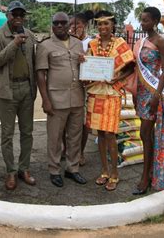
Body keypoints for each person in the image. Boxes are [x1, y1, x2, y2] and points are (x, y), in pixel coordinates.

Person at [0, 0, 37, 191]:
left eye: (21, 15)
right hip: (6, 91)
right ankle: (10, 171)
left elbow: (34, 61)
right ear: (7, 15)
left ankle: (24, 169)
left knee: (27, 132)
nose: (18, 18)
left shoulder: (30, 35)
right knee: (7, 135)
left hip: (27, 88)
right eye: (14, 14)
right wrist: (14, 43)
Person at [86, 10, 135, 191]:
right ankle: (104, 171)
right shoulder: (92, 44)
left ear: (113, 25)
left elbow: (131, 67)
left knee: (110, 134)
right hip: (95, 92)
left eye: (106, 23)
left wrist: (117, 79)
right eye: (99, 24)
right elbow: (88, 66)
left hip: (112, 93)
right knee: (99, 133)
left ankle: (115, 173)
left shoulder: (120, 44)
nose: (103, 27)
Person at [36, 12, 87, 187]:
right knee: (55, 137)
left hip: (77, 97)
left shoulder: (78, 44)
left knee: (75, 136)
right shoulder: (45, 46)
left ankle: (72, 169)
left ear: (68, 25)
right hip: (56, 98)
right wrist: (45, 99)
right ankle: (54, 170)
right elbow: (40, 74)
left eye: (63, 23)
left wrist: (84, 62)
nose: (59, 26)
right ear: (52, 25)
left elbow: (84, 69)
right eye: (56, 23)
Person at [133, 7, 164, 195]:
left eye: (146, 20)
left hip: (152, 95)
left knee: (146, 133)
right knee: (146, 135)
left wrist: (156, 96)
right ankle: (150, 171)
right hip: (141, 93)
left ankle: (146, 178)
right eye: (141, 20)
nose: (143, 24)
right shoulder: (141, 41)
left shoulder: (160, 41)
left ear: (155, 21)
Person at [68, 11, 94, 165]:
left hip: (86, 86)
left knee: (83, 122)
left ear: (84, 25)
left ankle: (81, 152)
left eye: (77, 24)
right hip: (69, 85)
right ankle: (67, 149)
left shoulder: (91, 43)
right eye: (71, 24)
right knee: (67, 120)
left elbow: (95, 64)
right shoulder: (67, 41)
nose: (74, 27)